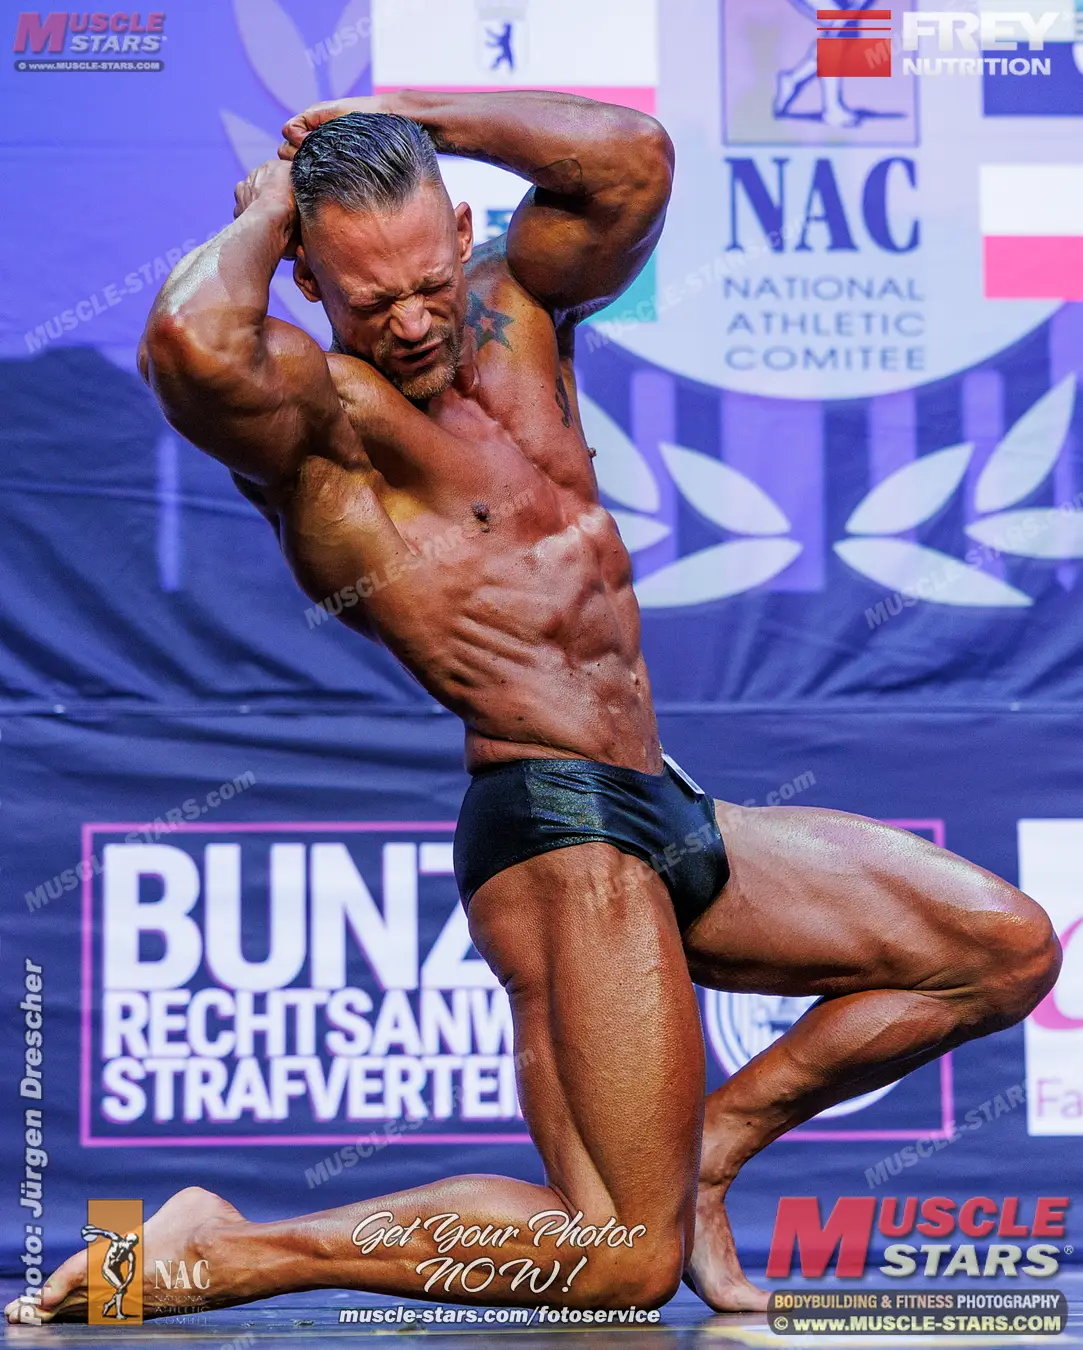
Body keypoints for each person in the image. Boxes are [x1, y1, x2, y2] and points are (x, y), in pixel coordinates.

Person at [6, 90, 1059, 1325]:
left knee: (1003, 952)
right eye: (367, 300)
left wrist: (411, 113)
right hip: (557, 828)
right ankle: (220, 1250)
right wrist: (268, 206)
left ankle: (714, 1151)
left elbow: (633, 164)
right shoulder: (323, 421)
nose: (409, 322)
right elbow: (187, 343)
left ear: (462, 231)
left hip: (661, 800)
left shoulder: (522, 309)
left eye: (425, 283)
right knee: (622, 1261)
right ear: (305, 278)